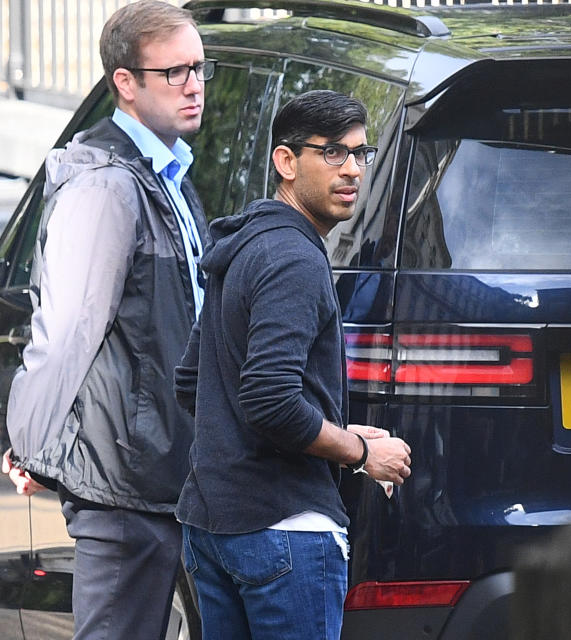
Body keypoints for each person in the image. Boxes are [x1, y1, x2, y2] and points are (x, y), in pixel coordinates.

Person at [2, 1, 212, 637]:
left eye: (200, 67)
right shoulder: (106, 184)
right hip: (122, 474)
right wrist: (31, 447)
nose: (195, 85)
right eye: (175, 72)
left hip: (166, 467)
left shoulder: (166, 171)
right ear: (126, 83)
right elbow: (66, 331)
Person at [174, 89, 412, 640]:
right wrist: (359, 453)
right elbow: (268, 399)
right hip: (286, 533)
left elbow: (196, 381)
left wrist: (324, 428)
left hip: (212, 527)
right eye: (332, 153)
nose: (352, 169)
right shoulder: (294, 259)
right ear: (286, 162)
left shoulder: (245, 246)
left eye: (360, 153)